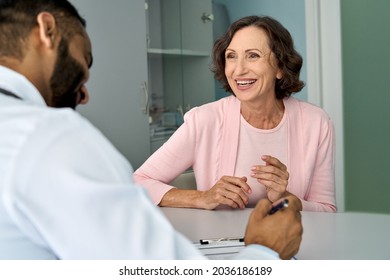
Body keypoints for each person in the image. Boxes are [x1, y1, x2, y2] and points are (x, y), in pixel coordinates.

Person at [0, 0, 302, 260]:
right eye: (84, 61)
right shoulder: (50, 137)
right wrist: (265, 251)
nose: (85, 94)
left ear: (279, 67)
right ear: (46, 30)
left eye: (253, 55)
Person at [134, 15, 336, 213]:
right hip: (222, 243)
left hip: (293, 243)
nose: (238, 70)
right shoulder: (204, 120)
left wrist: (285, 200)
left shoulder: (316, 123)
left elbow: (326, 210)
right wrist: (203, 197)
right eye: (231, 56)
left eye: (253, 55)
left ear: (280, 68)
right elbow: (137, 182)